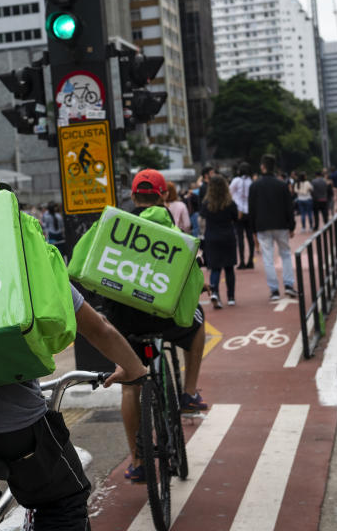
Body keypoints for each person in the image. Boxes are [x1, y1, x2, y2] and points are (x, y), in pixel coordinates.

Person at [0, 283, 147, 531]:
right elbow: (99, 328)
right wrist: (134, 368)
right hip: (17, 430)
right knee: (64, 502)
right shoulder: (22, 259)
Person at [107, 169, 209, 484]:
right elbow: (191, 268)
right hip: (163, 317)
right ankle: (189, 394)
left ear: (133, 196)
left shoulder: (118, 227)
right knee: (199, 322)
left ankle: (138, 460)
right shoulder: (167, 226)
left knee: (130, 384)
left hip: (125, 323)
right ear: (163, 195)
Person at [249, 154, 297, 302]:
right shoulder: (282, 184)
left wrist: (253, 229)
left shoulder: (255, 185)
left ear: (263, 167)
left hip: (262, 225)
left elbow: (252, 208)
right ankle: (289, 285)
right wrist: (292, 225)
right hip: (281, 224)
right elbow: (289, 206)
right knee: (286, 254)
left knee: (268, 258)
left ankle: (274, 290)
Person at [201, 174, 239, 308]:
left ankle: (215, 293)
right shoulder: (230, 203)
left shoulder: (206, 204)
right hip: (227, 236)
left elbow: (202, 219)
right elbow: (236, 218)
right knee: (229, 268)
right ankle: (231, 297)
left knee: (215, 268)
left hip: (212, 237)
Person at [229, 162, 254, 269]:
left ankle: (242, 261)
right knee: (250, 237)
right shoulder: (251, 181)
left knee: (240, 238)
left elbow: (230, 192)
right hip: (249, 212)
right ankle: (251, 260)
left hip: (239, 212)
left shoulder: (236, 180)